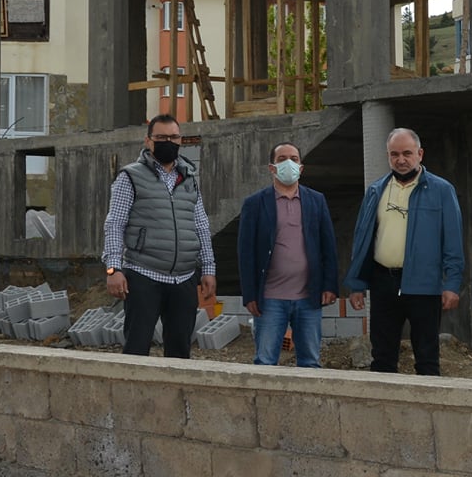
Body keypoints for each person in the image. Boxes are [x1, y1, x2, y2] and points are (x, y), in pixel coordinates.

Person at [342, 128, 464, 375]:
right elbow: (363, 238)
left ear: (420, 154)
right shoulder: (376, 190)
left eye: (407, 153)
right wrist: (356, 283)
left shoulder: (442, 190)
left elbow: (452, 241)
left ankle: (428, 410)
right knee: (382, 356)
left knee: (427, 356)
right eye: (394, 154)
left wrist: (451, 283)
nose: (401, 159)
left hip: (424, 285)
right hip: (383, 283)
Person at [102, 113, 216, 358]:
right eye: (161, 137)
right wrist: (113, 268)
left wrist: (208, 268)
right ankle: (132, 396)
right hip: (144, 275)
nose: (169, 142)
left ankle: (176, 396)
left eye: (174, 137)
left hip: (184, 278)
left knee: (180, 351)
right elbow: (115, 223)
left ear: (181, 140)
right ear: (148, 141)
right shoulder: (130, 177)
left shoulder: (189, 179)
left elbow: (201, 224)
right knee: (137, 347)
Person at [235, 141, 339, 368]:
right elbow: (246, 253)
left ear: (301, 168)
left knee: (310, 361)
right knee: (265, 361)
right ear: (272, 167)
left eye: (294, 158)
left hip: (308, 298)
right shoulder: (254, 204)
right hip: (270, 298)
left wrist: (330, 285)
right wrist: (249, 294)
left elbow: (328, 246)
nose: (289, 163)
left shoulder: (316, 201)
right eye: (282, 159)